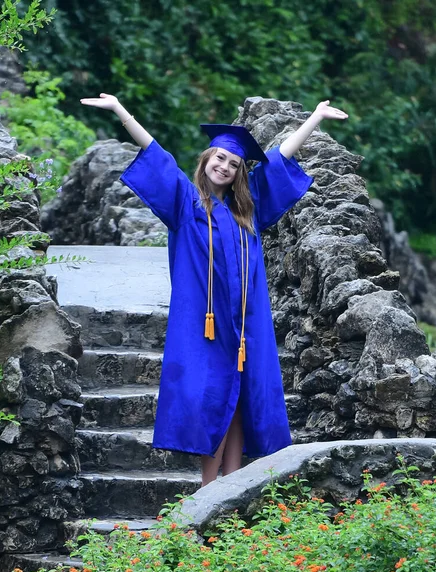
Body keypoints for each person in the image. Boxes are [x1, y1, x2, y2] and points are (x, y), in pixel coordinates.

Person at [80, 93, 348, 486]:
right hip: (203, 322)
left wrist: (314, 119)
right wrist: (122, 111)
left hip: (245, 321)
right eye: (219, 158)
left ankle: (233, 484)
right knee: (212, 394)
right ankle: (209, 488)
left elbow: (279, 160)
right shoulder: (185, 203)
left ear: (240, 173)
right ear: (205, 161)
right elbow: (156, 154)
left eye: (234, 163)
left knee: (241, 398)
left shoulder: (248, 209)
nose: (224, 166)